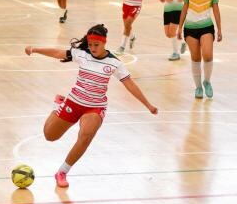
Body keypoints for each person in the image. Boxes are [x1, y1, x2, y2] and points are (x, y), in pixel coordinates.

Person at [24, 24, 158, 188]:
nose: (93, 48)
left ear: (104, 43)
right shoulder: (81, 54)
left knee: (86, 136)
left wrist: (148, 105)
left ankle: (62, 172)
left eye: (97, 45)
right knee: (50, 136)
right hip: (74, 102)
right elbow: (57, 52)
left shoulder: (114, 63)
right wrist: (35, 49)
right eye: (90, 44)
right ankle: (56, 106)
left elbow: (129, 84)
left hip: (95, 107)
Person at [177, 0, 222, 99]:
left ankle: (207, 82)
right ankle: (198, 87)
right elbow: (184, 9)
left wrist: (219, 29)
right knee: (195, 58)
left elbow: (216, 9)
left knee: (207, 55)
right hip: (190, 28)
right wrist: (180, 28)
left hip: (206, 27)